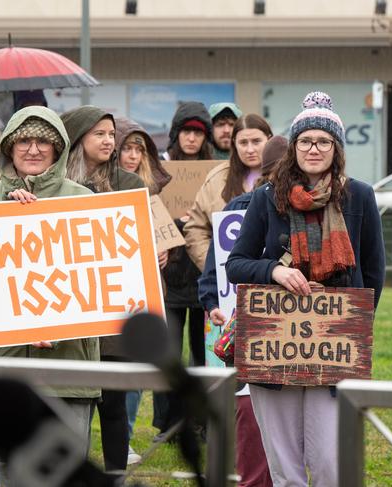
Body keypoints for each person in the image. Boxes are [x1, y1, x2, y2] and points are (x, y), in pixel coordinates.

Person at [226, 92, 385, 486]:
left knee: (331, 462)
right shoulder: (267, 198)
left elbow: (374, 272)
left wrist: (352, 328)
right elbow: (236, 264)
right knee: (285, 467)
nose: (314, 149)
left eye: (323, 141)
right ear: (293, 146)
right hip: (274, 343)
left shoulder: (359, 196)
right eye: (305, 141)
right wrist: (274, 272)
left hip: (332, 344)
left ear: (337, 148)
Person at [0, 106, 100, 485]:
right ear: (8, 147)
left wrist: (59, 324)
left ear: (58, 148)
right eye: (24, 140)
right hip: (3, 365)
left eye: (43, 140)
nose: (33, 148)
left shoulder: (83, 200)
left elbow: (95, 282)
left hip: (69, 365)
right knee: (11, 474)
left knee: (68, 474)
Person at [61, 106, 145, 473]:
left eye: (112, 134)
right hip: (70, 313)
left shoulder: (130, 185)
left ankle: (115, 477)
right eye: (99, 133)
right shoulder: (58, 186)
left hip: (114, 311)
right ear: (79, 139)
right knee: (68, 408)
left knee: (113, 406)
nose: (109, 140)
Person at [198, 134, 285, 487]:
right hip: (250, 335)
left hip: (300, 340)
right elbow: (214, 271)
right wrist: (213, 304)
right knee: (251, 431)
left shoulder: (322, 208)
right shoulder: (239, 208)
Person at [114, 116, 172, 464]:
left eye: (139, 149)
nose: (133, 155)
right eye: (127, 147)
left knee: (138, 365)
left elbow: (162, 238)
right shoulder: (98, 189)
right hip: (110, 287)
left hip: (144, 288)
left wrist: (163, 249)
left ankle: (127, 437)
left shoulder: (149, 192)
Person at [154, 101, 213, 440]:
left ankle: (202, 420)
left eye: (198, 132)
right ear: (177, 134)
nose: (192, 138)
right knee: (171, 355)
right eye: (187, 131)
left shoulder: (215, 170)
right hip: (171, 275)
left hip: (203, 274)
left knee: (204, 355)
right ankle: (170, 422)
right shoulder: (162, 169)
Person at [185, 113, 273, 272]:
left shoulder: (285, 178)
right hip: (226, 284)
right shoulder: (216, 179)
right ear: (234, 144)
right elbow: (195, 229)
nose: (250, 149)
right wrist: (214, 267)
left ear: (269, 139)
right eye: (243, 143)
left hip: (271, 280)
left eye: (256, 141)